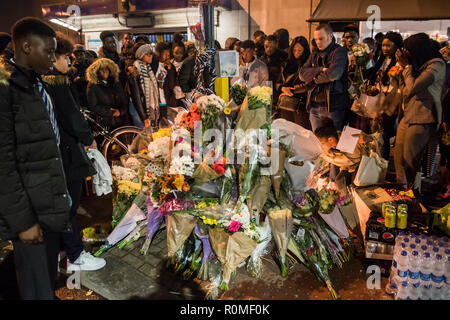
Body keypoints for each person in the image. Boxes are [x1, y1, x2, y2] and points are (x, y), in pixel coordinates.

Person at [0, 17, 71, 300]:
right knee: (35, 289)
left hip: (47, 207)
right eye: (49, 51)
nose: (53, 58)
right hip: (29, 215)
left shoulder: (32, 83)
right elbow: (3, 166)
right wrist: (23, 222)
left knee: (45, 284)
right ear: (27, 47)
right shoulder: (5, 89)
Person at [41, 32, 106, 272]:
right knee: (70, 203)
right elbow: (71, 116)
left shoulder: (43, 80)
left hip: (57, 151)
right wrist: (89, 139)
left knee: (65, 204)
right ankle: (75, 255)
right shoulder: (56, 81)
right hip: (67, 152)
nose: (70, 62)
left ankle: (62, 249)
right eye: (67, 56)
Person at [394, 33, 446, 189]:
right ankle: (401, 190)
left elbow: (412, 88)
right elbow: (404, 90)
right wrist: (401, 73)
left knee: (411, 160)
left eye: (409, 51)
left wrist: (407, 67)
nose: (407, 54)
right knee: (398, 157)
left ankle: (413, 194)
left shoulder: (436, 65)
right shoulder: (418, 65)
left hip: (423, 118)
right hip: (408, 116)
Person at [299, 23, 350, 132]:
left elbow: (333, 74)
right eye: (316, 39)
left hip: (333, 105)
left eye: (321, 39)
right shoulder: (314, 53)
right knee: (317, 142)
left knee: (335, 141)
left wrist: (314, 79)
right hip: (314, 105)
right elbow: (302, 74)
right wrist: (320, 69)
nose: (318, 42)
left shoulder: (339, 51)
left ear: (330, 37)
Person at [367, 32, 404, 160]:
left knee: (383, 135)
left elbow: (398, 87)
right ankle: (375, 162)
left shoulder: (400, 63)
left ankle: (382, 163)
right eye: (383, 45)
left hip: (389, 103)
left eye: (388, 45)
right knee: (375, 133)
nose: (385, 48)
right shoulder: (382, 59)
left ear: (397, 46)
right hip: (377, 101)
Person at [275, 36, 311, 129]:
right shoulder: (286, 64)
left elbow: (308, 84)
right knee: (286, 133)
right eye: (294, 50)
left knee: (301, 133)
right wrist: (282, 88)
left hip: (300, 105)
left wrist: (290, 91)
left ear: (305, 50)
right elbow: (278, 82)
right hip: (284, 104)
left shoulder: (308, 64)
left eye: (300, 50)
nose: (296, 53)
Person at [86, 58, 130, 131]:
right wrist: (111, 112)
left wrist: (121, 111)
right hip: (105, 123)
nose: (104, 72)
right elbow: (93, 106)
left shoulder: (115, 82)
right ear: (97, 71)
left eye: (106, 69)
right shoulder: (92, 85)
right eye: (101, 70)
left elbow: (124, 99)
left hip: (121, 120)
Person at [127, 44, 160, 128]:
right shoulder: (135, 70)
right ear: (141, 55)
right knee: (142, 135)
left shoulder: (148, 68)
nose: (151, 56)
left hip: (147, 107)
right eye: (148, 54)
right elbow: (136, 96)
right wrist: (144, 117)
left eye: (151, 53)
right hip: (138, 109)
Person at [154, 42, 177, 125]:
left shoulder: (171, 67)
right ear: (158, 54)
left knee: (166, 124)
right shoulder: (154, 65)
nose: (167, 56)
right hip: (155, 100)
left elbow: (172, 85)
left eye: (169, 54)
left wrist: (170, 69)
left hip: (166, 100)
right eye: (165, 54)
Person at [261, 34, 288, 104]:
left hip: (278, 90)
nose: (268, 49)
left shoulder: (283, 57)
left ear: (276, 45)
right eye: (266, 46)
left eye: (271, 47)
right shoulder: (262, 58)